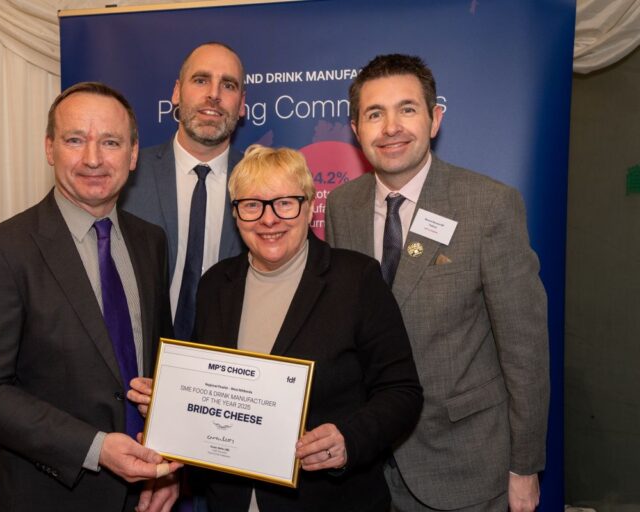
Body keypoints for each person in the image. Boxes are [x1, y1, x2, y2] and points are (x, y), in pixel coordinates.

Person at [131, 145, 423, 511]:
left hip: (328, 500)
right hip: (231, 500)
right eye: (252, 204)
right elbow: (210, 389)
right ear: (236, 213)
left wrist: (349, 439)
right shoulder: (216, 284)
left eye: (285, 202)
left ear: (309, 205)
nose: (269, 219)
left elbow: (402, 391)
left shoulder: (356, 280)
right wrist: (171, 404)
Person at [325, 54, 550, 512]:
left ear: (434, 119)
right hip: (366, 467)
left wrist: (524, 468)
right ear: (355, 128)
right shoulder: (341, 207)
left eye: (407, 108)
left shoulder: (488, 206)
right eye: (374, 113)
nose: (391, 127)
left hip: (464, 468)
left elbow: (525, 352)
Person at [0, 82, 182, 512]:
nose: (93, 158)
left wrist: (166, 469)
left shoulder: (151, 242)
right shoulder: (1, 250)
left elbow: (158, 368)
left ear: (133, 156)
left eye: (110, 142)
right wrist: (94, 447)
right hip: (48, 496)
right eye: (75, 140)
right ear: (49, 148)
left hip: (145, 497)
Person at [121, 41, 246, 342]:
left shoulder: (261, 185)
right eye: (201, 80)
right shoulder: (127, 175)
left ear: (242, 104)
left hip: (227, 370)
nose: (214, 94)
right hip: (138, 364)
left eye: (228, 85)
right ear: (177, 92)